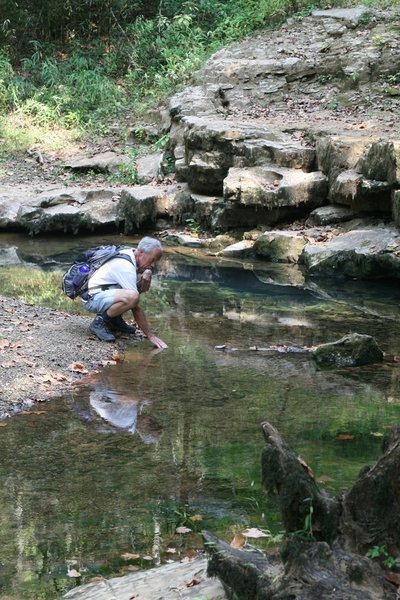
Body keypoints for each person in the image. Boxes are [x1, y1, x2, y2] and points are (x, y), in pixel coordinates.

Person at [81, 236, 167, 348]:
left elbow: (142, 273)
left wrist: (148, 271)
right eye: (152, 260)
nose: (153, 265)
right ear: (141, 252)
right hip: (92, 299)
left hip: (101, 293)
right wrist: (150, 336)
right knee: (133, 297)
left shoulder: (131, 252)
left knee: (139, 281)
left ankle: (114, 320)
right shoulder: (125, 266)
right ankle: (99, 322)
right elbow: (135, 306)